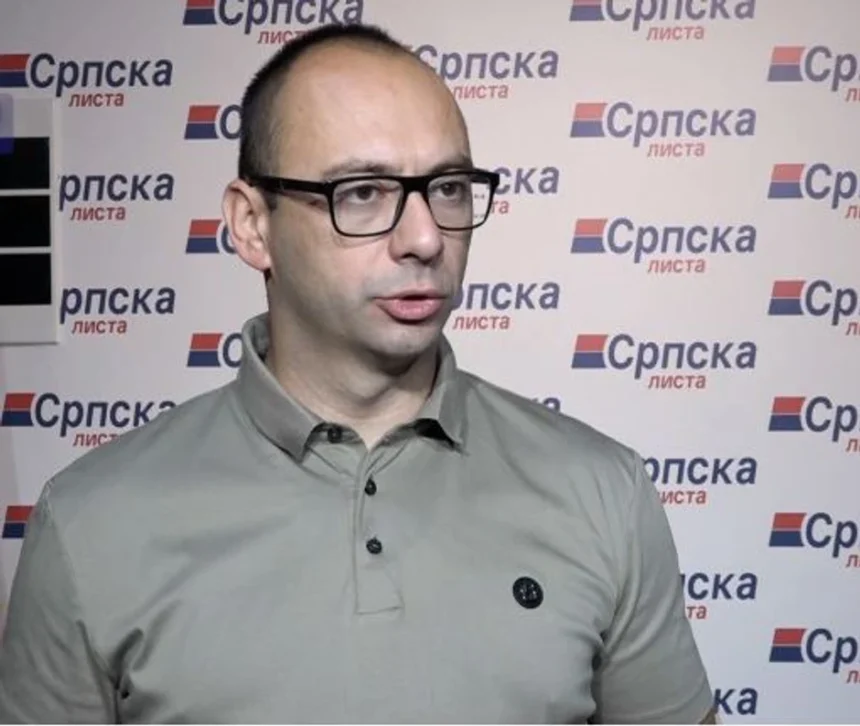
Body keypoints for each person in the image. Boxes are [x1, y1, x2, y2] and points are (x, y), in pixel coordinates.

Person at [0, 23, 716, 724]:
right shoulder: (91, 523)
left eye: (449, 188)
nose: (426, 237)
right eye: (364, 192)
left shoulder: (603, 491)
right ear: (252, 224)